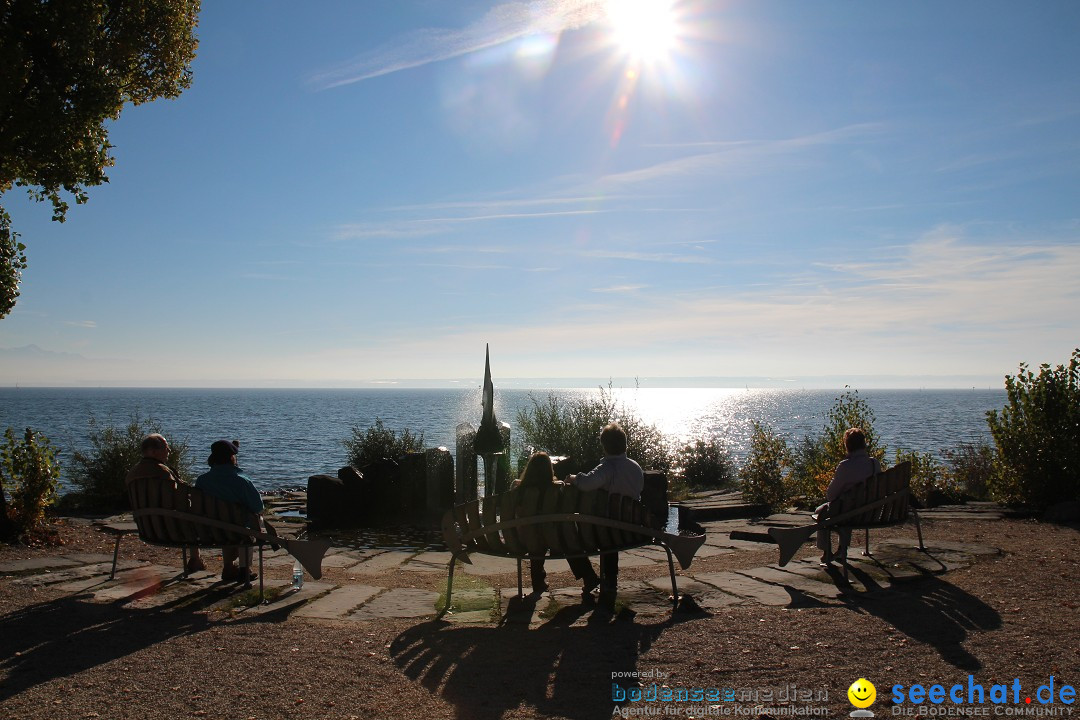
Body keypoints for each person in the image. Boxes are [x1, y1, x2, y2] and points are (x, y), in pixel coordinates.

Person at [564, 422, 644, 611]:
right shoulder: (635, 467)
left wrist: (573, 478)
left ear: (605, 445)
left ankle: (590, 577)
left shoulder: (607, 468)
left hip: (609, 530)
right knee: (609, 534)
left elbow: (587, 483)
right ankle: (610, 582)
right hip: (631, 529)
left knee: (568, 537)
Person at [125, 433, 205, 573]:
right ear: (153, 451)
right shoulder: (163, 473)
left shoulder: (132, 473)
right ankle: (195, 559)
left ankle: (196, 560)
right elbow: (181, 498)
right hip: (171, 528)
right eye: (166, 448)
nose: (169, 451)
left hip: (146, 527)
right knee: (193, 515)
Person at [194, 439, 263, 583]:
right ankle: (245, 569)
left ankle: (228, 567)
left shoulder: (202, 480)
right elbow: (258, 507)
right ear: (232, 458)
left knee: (225, 520)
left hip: (211, 531)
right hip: (238, 532)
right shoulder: (242, 481)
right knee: (250, 520)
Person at [815, 428, 880, 565]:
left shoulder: (845, 466)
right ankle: (842, 549)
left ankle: (827, 551)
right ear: (864, 444)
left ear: (848, 445)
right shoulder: (874, 464)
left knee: (821, 512)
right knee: (849, 507)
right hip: (870, 513)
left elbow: (831, 495)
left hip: (850, 514)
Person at [512, 452, 561, 595]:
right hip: (547, 538)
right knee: (541, 533)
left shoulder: (519, 490)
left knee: (533, 533)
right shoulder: (554, 490)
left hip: (523, 538)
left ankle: (538, 580)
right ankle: (539, 580)